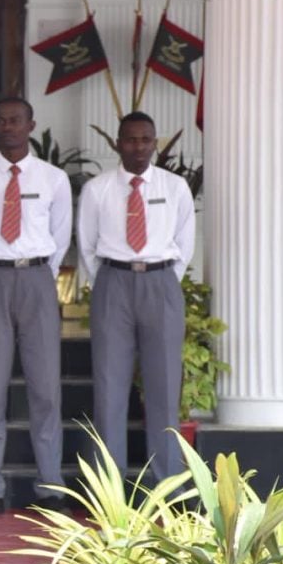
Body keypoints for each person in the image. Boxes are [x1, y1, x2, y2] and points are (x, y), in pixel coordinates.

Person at [0, 97, 71, 517]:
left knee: (45, 389)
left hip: (38, 279)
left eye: (16, 120)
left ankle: (51, 487)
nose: (8, 126)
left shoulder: (54, 179)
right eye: (2, 120)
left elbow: (61, 236)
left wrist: (37, 275)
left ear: (30, 125)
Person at [77, 111, 195, 483]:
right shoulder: (98, 189)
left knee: (164, 390)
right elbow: (87, 246)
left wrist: (161, 280)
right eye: (130, 139)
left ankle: (167, 486)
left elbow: (185, 243)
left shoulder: (175, 187)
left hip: (161, 284)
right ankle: (110, 487)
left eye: (146, 139)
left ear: (155, 143)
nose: (138, 146)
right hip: (113, 284)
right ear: (118, 144)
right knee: (109, 389)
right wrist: (112, 280)